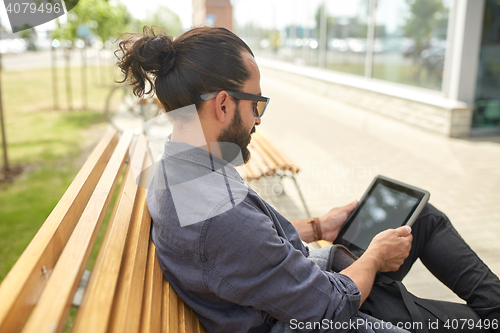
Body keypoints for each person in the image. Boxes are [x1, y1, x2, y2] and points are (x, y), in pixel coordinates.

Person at [116, 26, 500, 333]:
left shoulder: (180, 165)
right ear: (222, 104)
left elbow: (247, 249)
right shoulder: (217, 212)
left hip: (307, 285)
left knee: (423, 218)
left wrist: (319, 226)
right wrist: (375, 256)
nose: (259, 119)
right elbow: (330, 308)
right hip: (327, 311)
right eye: (256, 103)